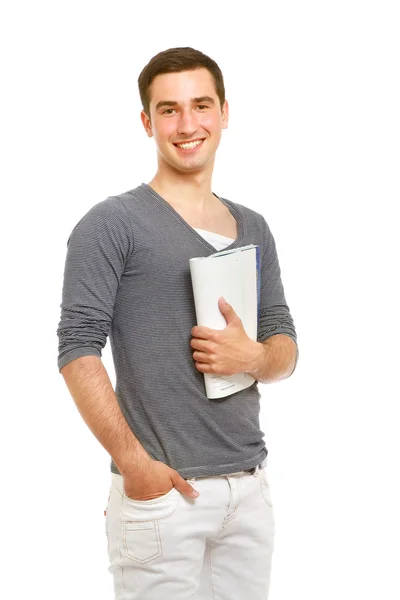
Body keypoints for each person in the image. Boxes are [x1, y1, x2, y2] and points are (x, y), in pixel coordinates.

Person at [57, 46, 298, 600]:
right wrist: (134, 466)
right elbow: (77, 348)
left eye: (201, 105)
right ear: (147, 122)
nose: (187, 125)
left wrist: (255, 357)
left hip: (249, 490)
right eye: (169, 110)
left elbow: (284, 338)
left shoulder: (254, 226)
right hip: (163, 497)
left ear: (224, 112)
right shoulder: (111, 223)